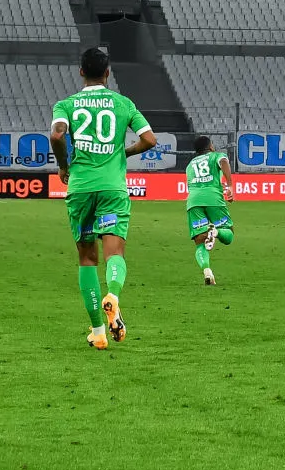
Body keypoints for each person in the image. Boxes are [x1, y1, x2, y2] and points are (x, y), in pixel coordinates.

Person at [50, 47, 158, 350]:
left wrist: (62, 165)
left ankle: (98, 331)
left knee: (87, 258)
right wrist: (124, 152)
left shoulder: (66, 104)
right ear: (108, 73)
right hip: (112, 188)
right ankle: (113, 295)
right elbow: (150, 139)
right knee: (115, 253)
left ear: (81, 72)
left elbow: (57, 135)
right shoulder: (123, 103)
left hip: (81, 187)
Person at [183, 135, 235, 286]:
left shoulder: (190, 164)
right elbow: (224, 162)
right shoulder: (216, 156)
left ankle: (207, 271)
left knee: (200, 242)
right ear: (210, 146)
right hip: (213, 198)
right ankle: (216, 232)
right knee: (228, 233)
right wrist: (230, 185)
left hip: (193, 201)